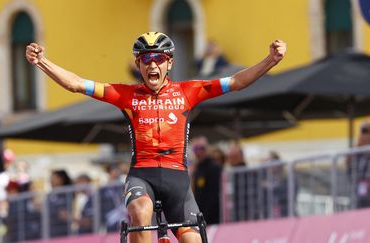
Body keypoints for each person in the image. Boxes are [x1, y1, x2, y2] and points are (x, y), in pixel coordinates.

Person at [26, 31, 286, 243]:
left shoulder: (188, 91)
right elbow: (77, 84)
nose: (153, 64)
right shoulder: (125, 94)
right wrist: (41, 62)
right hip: (142, 175)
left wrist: (270, 60)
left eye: (159, 59)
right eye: (146, 59)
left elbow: (237, 82)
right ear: (138, 64)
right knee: (140, 214)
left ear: (169, 63)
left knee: (193, 241)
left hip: (178, 180)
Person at [190, 136, 222, 225]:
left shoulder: (214, 167)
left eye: (202, 148)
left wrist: (206, 216)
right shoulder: (197, 168)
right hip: (200, 213)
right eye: (196, 149)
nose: (199, 152)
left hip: (213, 217)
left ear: (207, 149)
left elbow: (215, 195)